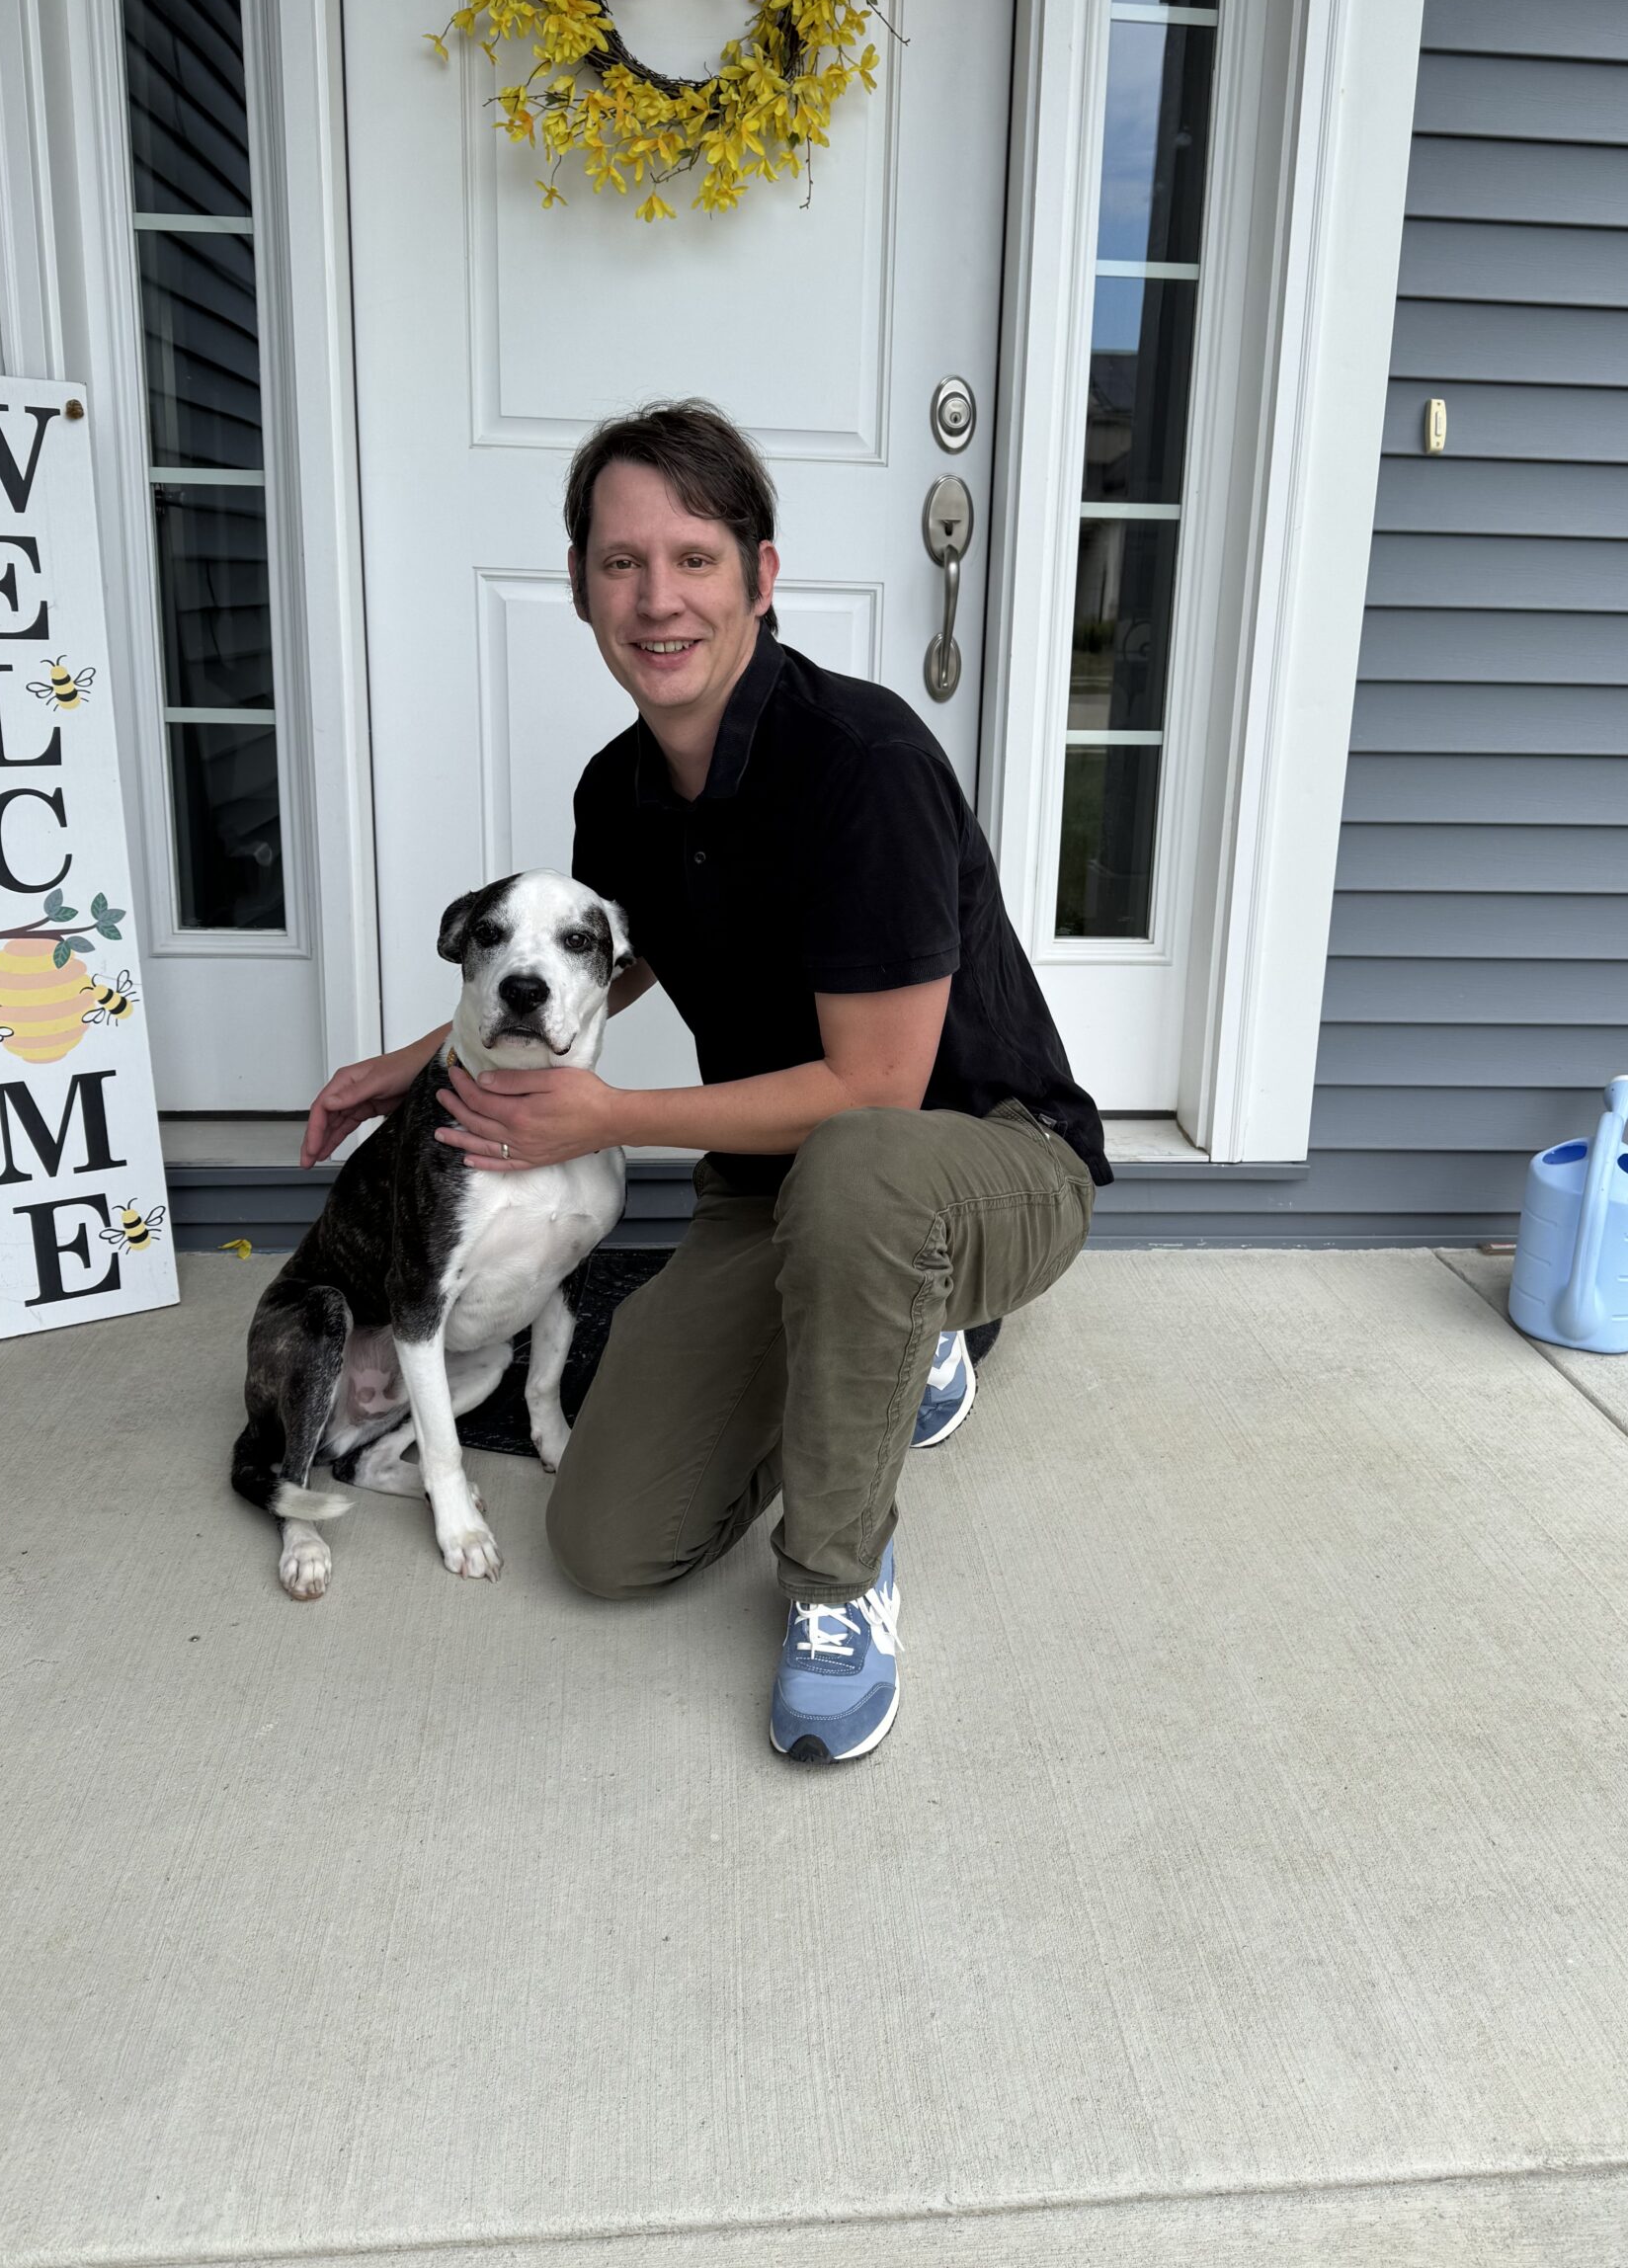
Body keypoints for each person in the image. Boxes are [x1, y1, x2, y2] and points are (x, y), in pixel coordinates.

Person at [301, 401, 1109, 1763]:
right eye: (620, 563)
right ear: (579, 588)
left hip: (985, 1159)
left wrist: (613, 1117)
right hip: (779, 1185)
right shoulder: (616, 794)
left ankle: (842, 1578)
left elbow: (878, 1087)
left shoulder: (867, 765)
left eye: (693, 558)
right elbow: (609, 973)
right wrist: (413, 1064)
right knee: (607, 1544)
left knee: (860, 1171)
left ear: (761, 577)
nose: (656, 597)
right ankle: (882, 1330)